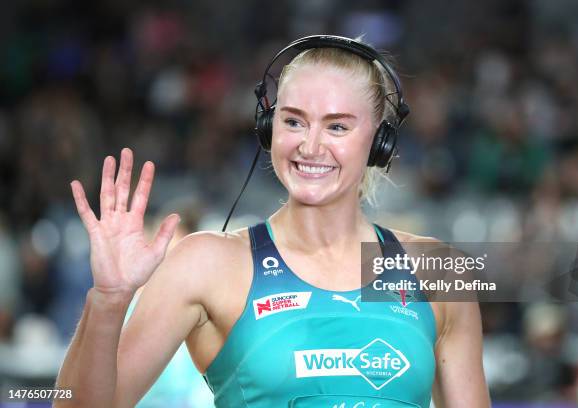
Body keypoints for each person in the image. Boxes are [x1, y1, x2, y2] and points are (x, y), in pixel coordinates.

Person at [55, 36, 490, 407]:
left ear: (380, 140)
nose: (310, 145)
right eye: (293, 121)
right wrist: (108, 301)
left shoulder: (440, 270)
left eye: (337, 127)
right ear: (268, 126)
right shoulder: (206, 263)